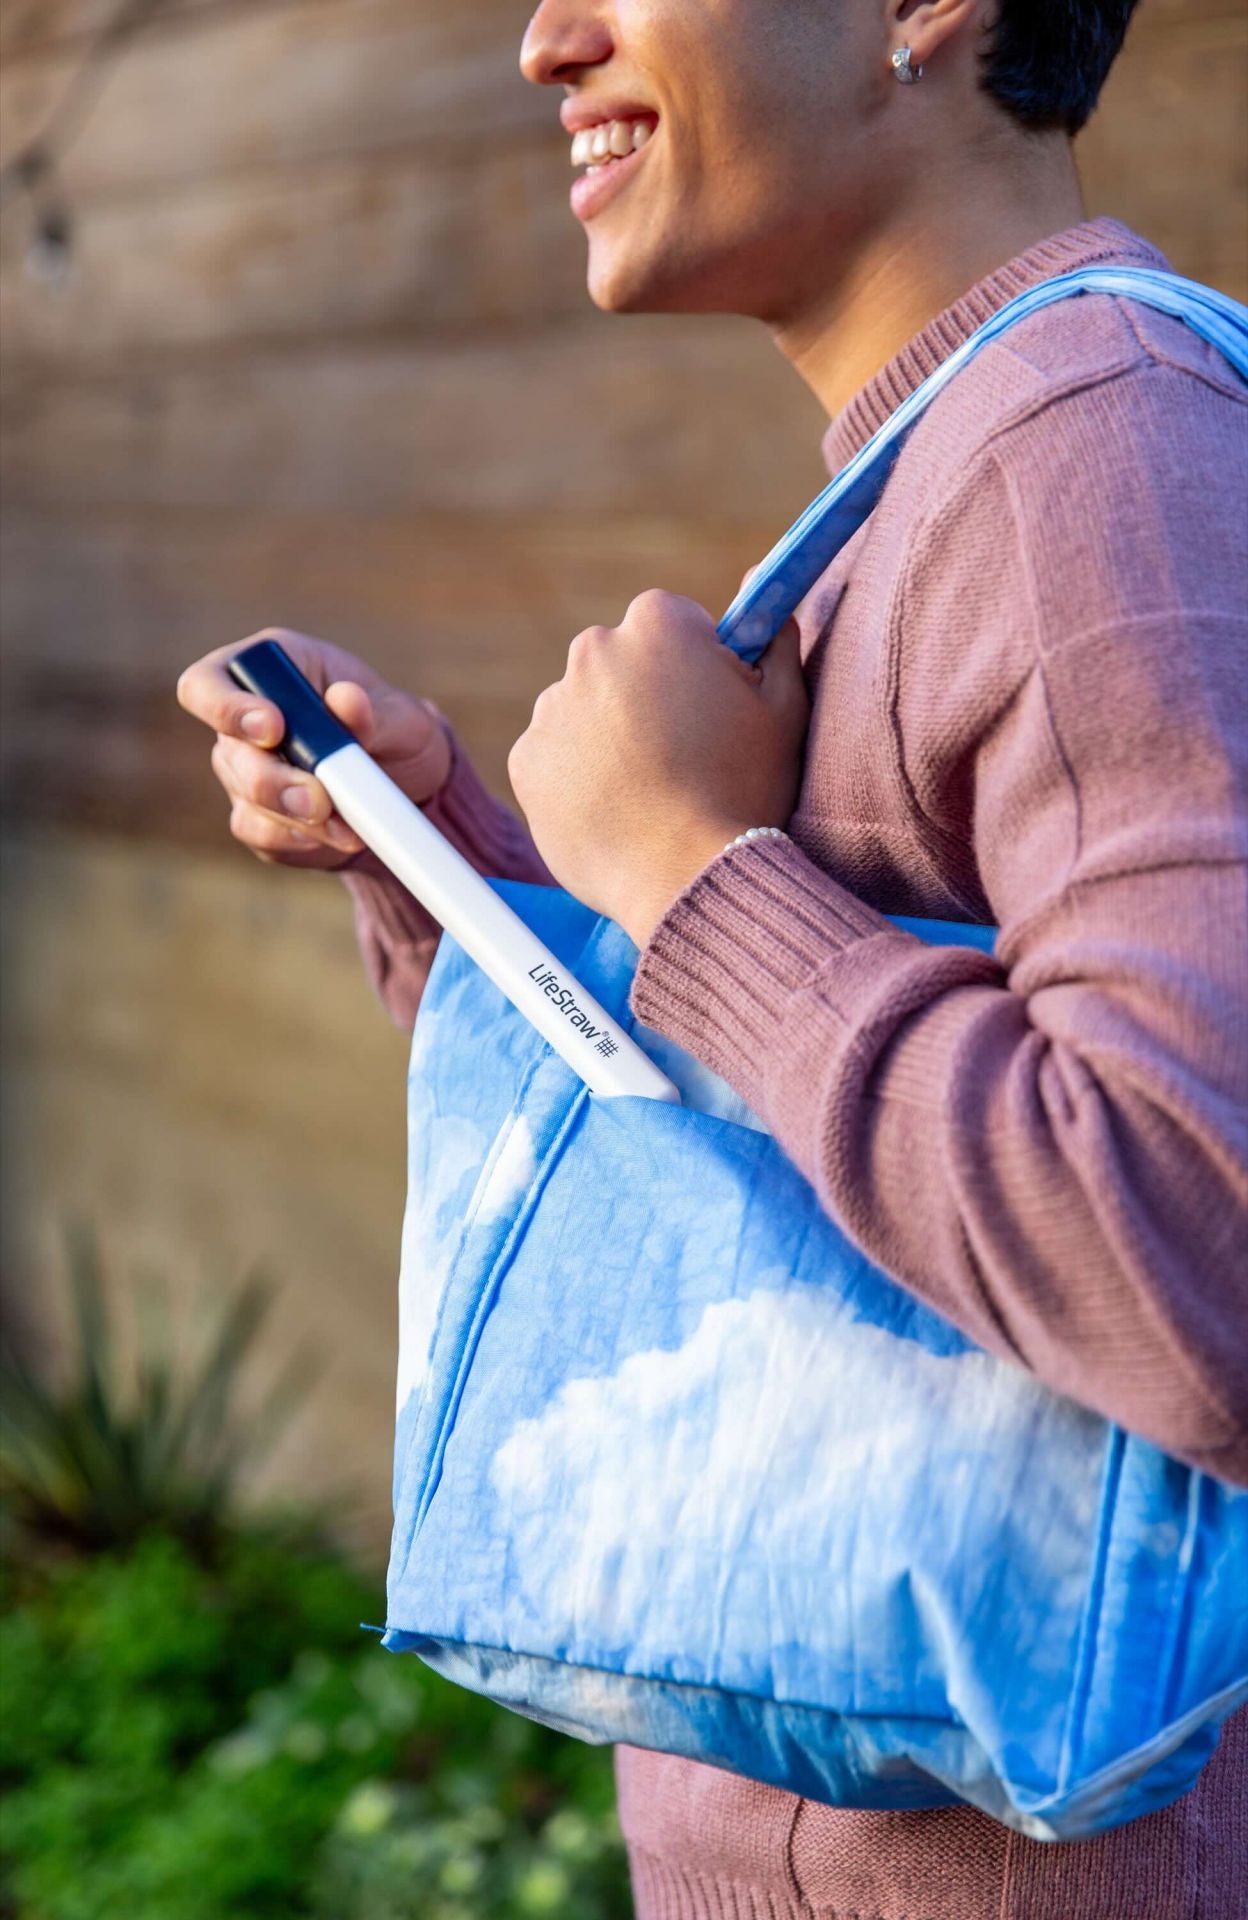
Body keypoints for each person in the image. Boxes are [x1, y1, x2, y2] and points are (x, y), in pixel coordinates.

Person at [178, 0, 1248, 1912]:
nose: (541, 38)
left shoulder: (1095, 447)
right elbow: (778, 1180)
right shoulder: (957, 457)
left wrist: (687, 868)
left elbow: (1198, 1242)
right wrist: (470, 881)